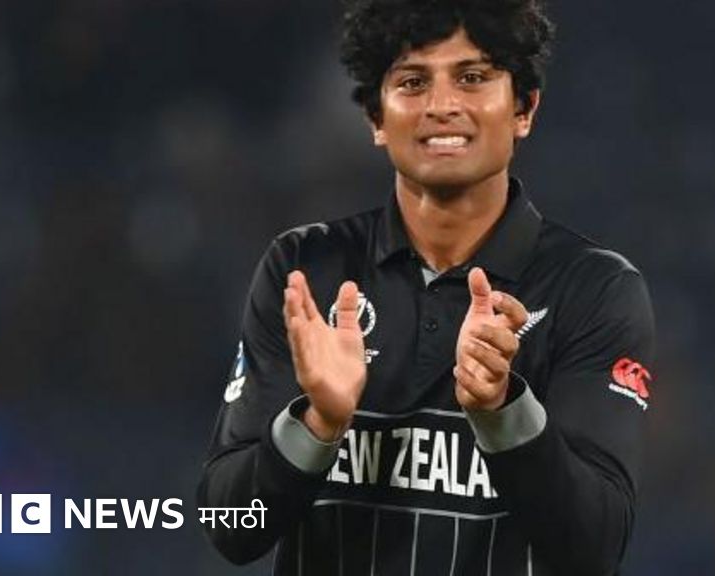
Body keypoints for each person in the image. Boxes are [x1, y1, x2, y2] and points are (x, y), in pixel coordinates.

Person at [198, 1, 656, 574]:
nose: (442, 105)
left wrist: (502, 410)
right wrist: (318, 425)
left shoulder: (593, 289)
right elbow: (229, 528)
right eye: (413, 82)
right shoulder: (304, 270)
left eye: (473, 77)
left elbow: (595, 547)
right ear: (376, 118)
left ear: (523, 108)